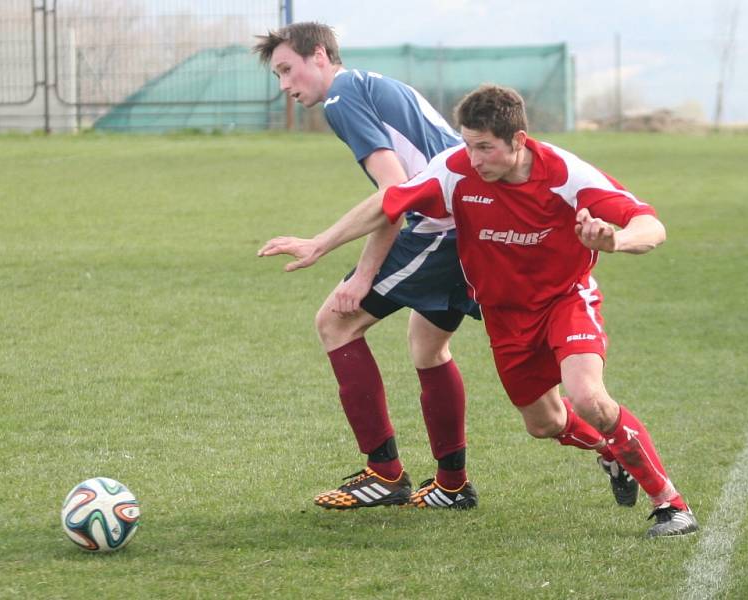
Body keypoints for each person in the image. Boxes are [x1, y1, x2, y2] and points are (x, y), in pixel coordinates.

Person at [258, 84, 699, 537]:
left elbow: (651, 226)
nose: (473, 157)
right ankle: (611, 450)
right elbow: (389, 204)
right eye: (468, 144)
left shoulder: (567, 175)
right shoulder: (454, 170)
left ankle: (671, 504)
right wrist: (320, 242)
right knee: (544, 423)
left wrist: (616, 240)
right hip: (505, 316)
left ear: (519, 141)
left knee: (588, 396)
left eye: (485, 147)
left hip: (565, 300)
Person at [253, 22, 482, 510]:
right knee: (428, 347)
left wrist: (347, 265)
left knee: (335, 322)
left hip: (439, 230)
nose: (285, 86)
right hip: (468, 224)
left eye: (287, 70)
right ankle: (452, 484)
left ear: (319, 56)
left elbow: (393, 194)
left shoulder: (341, 98)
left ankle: (385, 473)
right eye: (277, 76)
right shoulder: (374, 83)